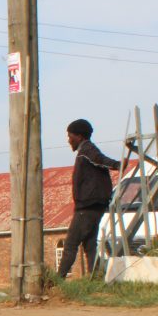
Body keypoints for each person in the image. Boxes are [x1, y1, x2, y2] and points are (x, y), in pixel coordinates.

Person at [58, 118, 123, 280]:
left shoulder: (87, 149)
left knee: (71, 244)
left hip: (87, 206)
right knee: (89, 245)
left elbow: (100, 160)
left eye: (70, 136)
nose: (68, 140)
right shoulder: (86, 150)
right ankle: (96, 279)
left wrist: (117, 165)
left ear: (79, 136)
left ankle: (57, 281)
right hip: (94, 205)